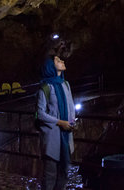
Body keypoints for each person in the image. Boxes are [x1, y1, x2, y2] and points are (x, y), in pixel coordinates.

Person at [37, 51, 76, 190]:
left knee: (64, 173)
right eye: (58, 60)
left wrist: (71, 121)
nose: (62, 61)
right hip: (53, 136)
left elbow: (71, 106)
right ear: (50, 67)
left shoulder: (66, 84)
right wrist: (60, 122)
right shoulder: (46, 88)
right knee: (50, 175)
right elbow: (40, 114)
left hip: (65, 136)